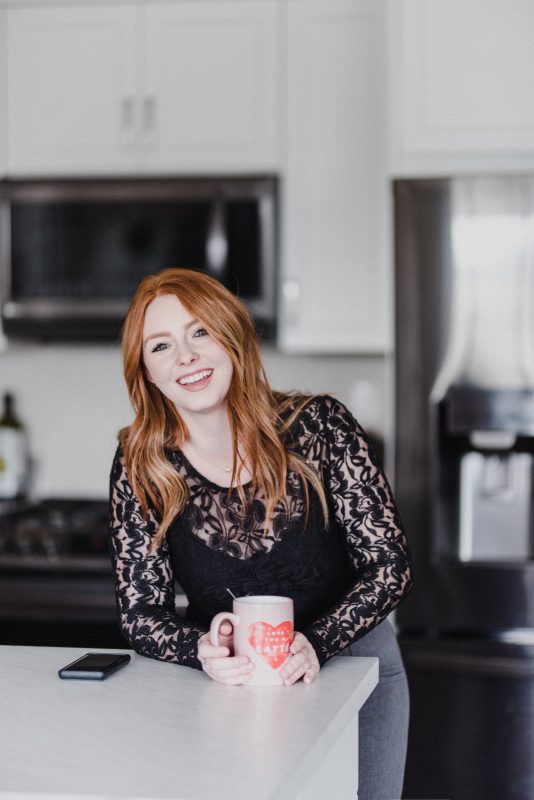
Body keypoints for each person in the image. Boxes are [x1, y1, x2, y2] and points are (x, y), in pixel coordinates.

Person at [108, 267, 414, 800]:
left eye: (200, 331)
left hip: (359, 674)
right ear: (148, 374)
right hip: (230, 695)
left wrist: (316, 643)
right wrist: (201, 647)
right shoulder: (142, 465)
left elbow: (390, 564)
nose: (186, 356)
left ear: (233, 338)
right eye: (161, 346)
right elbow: (141, 614)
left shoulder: (321, 426)